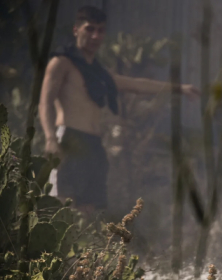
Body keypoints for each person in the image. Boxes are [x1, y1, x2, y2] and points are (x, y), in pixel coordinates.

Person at [39, 5, 198, 217]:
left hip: (93, 145)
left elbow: (136, 84)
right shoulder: (61, 63)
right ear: (77, 30)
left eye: (101, 30)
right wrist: (50, 138)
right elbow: (45, 102)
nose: (96, 35)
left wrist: (179, 88)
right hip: (69, 140)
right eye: (90, 29)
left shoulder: (99, 72)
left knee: (89, 212)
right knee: (62, 208)